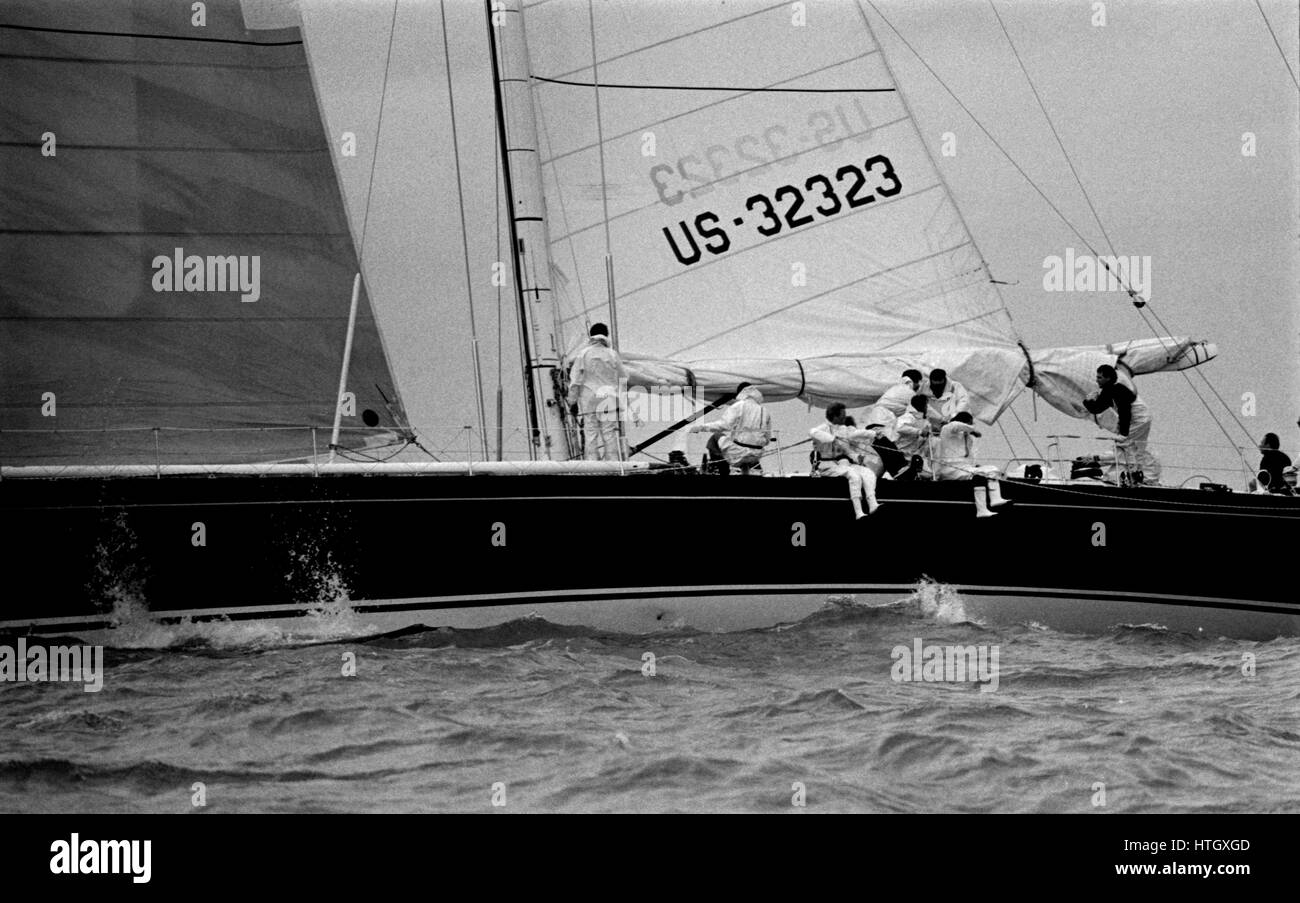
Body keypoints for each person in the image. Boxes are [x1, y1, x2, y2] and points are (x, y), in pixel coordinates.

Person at [1082, 364, 1160, 484]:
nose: (1097, 380)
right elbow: (1097, 409)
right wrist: (1088, 400)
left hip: (1139, 418)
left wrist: (1124, 433)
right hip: (1139, 418)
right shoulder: (1108, 391)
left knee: (1126, 445)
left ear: (1108, 378)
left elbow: (1125, 411)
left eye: (1100, 377)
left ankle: (1127, 476)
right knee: (1132, 447)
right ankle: (1134, 474)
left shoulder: (1117, 390)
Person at [566, 323, 627, 461]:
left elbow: (575, 380)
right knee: (609, 432)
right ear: (606, 335)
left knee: (591, 432)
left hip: (589, 398)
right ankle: (613, 463)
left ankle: (592, 464)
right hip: (609, 397)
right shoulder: (612, 354)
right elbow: (624, 377)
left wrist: (572, 402)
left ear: (591, 335)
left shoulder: (583, 354)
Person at [935, 412, 1012, 517]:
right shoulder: (947, 429)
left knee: (993, 469)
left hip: (964, 468)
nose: (971, 426)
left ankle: (995, 499)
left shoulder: (968, 437)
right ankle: (982, 510)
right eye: (970, 423)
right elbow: (956, 425)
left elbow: (969, 457)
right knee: (980, 476)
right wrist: (973, 430)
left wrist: (975, 465)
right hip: (951, 469)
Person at [811, 403, 882, 518]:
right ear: (834, 416)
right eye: (842, 416)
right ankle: (858, 511)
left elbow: (855, 434)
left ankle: (872, 503)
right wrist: (832, 438)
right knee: (853, 475)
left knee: (867, 473)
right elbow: (813, 433)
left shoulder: (843, 429)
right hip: (826, 465)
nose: (844, 418)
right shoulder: (822, 428)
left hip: (842, 464)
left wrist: (873, 433)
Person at [689, 382, 772, 475]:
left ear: (741, 393)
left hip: (738, 453)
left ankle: (722, 472)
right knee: (744, 447)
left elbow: (723, 425)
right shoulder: (764, 411)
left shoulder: (739, 405)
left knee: (715, 438)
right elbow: (767, 440)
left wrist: (700, 427)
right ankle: (753, 469)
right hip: (756, 454)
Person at [893, 393, 932, 477]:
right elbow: (900, 428)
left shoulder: (924, 420)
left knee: (927, 474)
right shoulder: (909, 416)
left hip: (913, 455)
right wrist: (920, 432)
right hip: (901, 453)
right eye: (926, 405)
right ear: (922, 406)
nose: (927, 407)